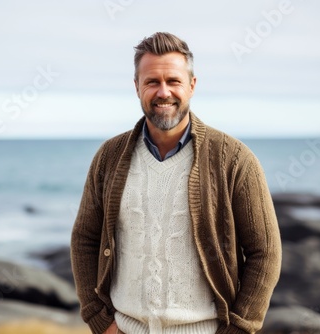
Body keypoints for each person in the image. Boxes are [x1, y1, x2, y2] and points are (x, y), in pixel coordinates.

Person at [71, 32, 282, 334]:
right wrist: (99, 319)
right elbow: (84, 238)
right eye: (152, 82)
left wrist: (240, 328)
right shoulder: (109, 157)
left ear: (192, 85)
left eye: (173, 81)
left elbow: (266, 252)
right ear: (137, 87)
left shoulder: (234, 159)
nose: (163, 92)